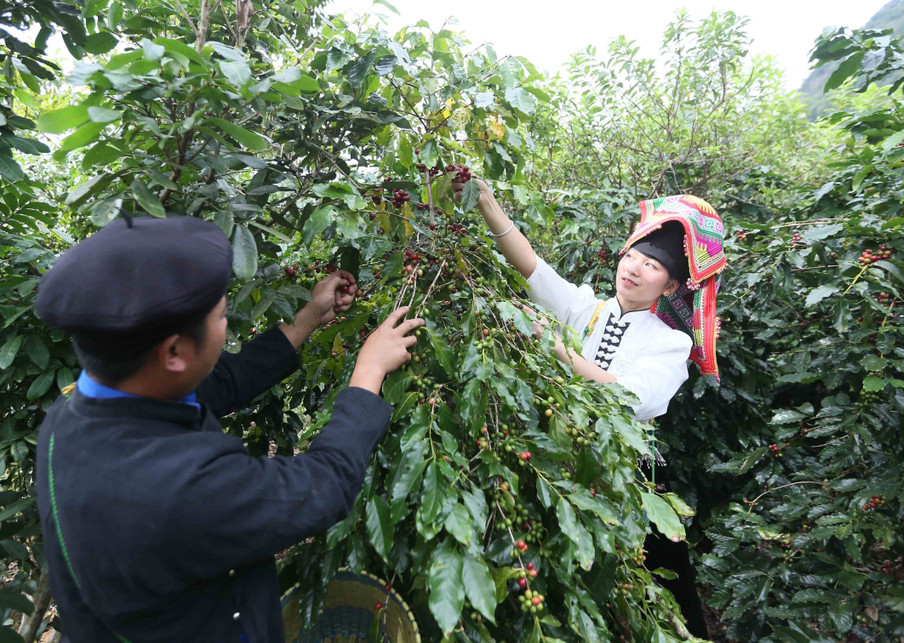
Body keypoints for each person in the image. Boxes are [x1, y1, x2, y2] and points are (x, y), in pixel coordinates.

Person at [33, 212, 423, 642]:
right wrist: (369, 369)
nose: (226, 326)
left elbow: (225, 381)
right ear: (174, 352)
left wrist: (311, 315)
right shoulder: (178, 487)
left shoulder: (74, 412)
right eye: (221, 317)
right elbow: (324, 485)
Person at [452, 179, 727, 638]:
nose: (635, 268)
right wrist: (486, 203)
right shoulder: (587, 309)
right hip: (558, 456)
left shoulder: (671, 343)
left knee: (634, 580)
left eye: (652, 266)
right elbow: (532, 268)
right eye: (633, 256)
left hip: (621, 472)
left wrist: (557, 347)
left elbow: (630, 398)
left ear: (672, 285)